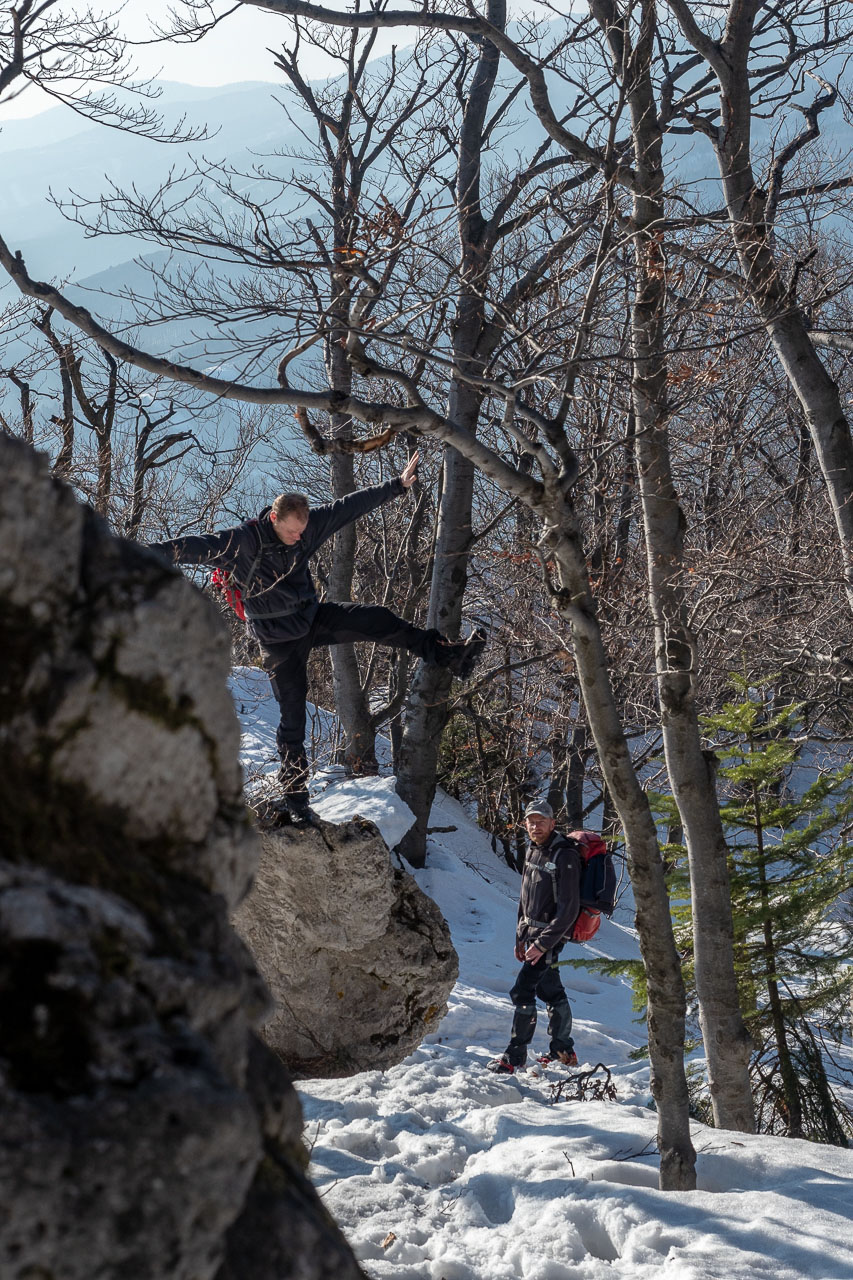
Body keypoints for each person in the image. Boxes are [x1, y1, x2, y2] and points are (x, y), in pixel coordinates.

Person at [148, 452, 486, 823]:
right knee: (293, 718)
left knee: (376, 618)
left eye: (302, 531)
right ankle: (295, 798)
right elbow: (190, 547)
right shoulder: (241, 543)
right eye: (292, 531)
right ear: (273, 518)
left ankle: (449, 656)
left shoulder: (307, 528)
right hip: (278, 645)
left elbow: (347, 508)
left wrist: (397, 486)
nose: (298, 538)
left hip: (311, 620)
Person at [487, 799, 581, 1074]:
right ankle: (564, 1051)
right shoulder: (533, 850)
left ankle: (514, 1057)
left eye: (541, 821)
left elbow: (568, 910)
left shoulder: (564, 855)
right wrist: (520, 935)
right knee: (549, 989)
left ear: (553, 823)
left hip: (550, 937)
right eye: (531, 821)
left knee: (523, 990)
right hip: (531, 935)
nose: (535, 826)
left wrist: (541, 944)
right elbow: (525, 898)